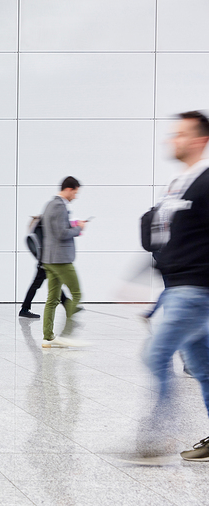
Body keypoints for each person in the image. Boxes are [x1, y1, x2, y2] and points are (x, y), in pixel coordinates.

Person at [138, 111, 209, 461]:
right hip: (176, 285)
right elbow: (155, 235)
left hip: (194, 288)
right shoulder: (177, 184)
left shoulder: (206, 182)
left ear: (199, 140)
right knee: (204, 369)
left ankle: (157, 436)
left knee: (156, 353)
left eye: (180, 134)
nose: (172, 139)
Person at [40, 177, 87, 348]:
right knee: (77, 294)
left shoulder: (49, 204)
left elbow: (53, 231)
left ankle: (48, 337)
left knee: (52, 299)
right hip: (61, 259)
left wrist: (72, 226)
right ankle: (67, 334)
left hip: (49, 259)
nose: (75, 196)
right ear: (68, 189)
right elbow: (61, 233)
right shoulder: (60, 206)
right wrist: (78, 228)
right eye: (75, 192)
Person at [19, 214, 72, 319]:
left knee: (51, 283)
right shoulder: (41, 228)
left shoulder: (38, 227)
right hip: (45, 262)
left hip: (45, 261)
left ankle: (68, 305)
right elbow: (44, 246)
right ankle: (24, 309)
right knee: (44, 284)